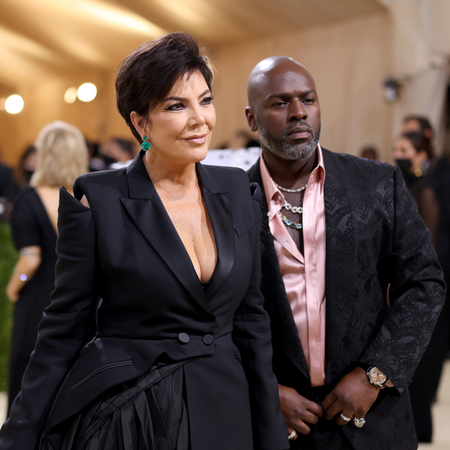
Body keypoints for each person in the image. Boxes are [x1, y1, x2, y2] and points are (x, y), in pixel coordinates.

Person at [0, 33, 288, 450]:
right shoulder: (99, 199)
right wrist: (17, 440)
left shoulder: (237, 192)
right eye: (176, 106)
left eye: (205, 101)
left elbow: (252, 323)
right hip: (132, 415)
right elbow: (63, 331)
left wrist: (271, 436)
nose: (200, 120)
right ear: (140, 123)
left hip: (225, 411)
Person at [245, 56, 445, 449]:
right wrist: (263, 388)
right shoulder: (231, 200)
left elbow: (425, 282)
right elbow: (218, 315)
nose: (299, 112)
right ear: (252, 119)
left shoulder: (375, 184)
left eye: (308, 99)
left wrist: (376, 372)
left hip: (370, 417)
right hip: (273, 423)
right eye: (280, 103)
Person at [5, 121, 89, 416]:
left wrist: (15, 287)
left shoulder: (29, 198)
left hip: (40, 298)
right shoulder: (90, 196)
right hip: (85, 301)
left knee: (29, 387)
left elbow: (30, 261)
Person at [394, 130, 450, 442]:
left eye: (403, 149)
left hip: (420, 287)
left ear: (419, 153)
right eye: (394, 148)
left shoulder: (427, 190)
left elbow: (427, 251)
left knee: (424, 361)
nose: (397, 154)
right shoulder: (402, 185)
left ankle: (421, 429)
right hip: (399, 286)